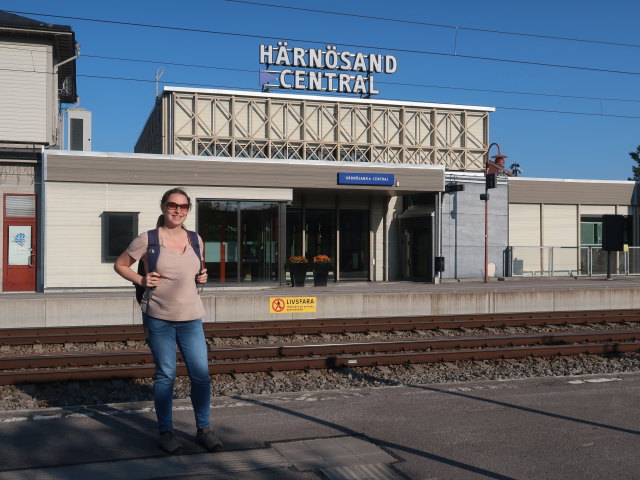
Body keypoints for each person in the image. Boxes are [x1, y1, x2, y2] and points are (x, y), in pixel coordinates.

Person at [114, 187, 221, 454]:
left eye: (183, 207)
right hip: (159, 317)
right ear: (163, 207)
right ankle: (166, 431)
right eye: (173, 205)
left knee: (201, 376)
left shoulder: (196, 239)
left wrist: (202, 277)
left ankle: (204, 430)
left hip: (192, 318)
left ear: (188, 211)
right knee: (166, 375)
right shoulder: (147, 239)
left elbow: (197, 271)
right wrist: (141, 279)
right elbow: (120, 264)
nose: (178, 210)